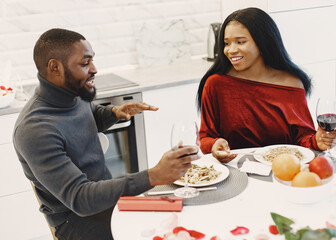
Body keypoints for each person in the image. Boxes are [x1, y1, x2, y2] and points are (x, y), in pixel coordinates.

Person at [13, 28, 200, 240]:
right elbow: (80, 198)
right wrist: (154, 175)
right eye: (85, 63)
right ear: (55, 67)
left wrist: (113, 113)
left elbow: (86, 116)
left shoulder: (73, 94)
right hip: (77, 221)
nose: (94, 69)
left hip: (107, 201)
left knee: (187, 216)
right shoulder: (34, 129)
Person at [196, 7, 336, 163]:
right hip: (235, 173)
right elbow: (205, 139)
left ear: (262, 42)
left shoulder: (291, 84)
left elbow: (303, 139)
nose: (231, 50)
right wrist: (214, 144)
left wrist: (318, 141)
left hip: (283, 172)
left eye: (240, 42)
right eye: (226, 43)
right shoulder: (216, 84)